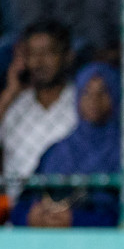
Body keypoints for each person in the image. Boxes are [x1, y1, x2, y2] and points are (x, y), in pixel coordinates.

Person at [12, 63, 124, 227]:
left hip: (104, 244)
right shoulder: (56, 151)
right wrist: (30, 217)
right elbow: (21, 207)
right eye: (86, 92)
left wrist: (76, 220)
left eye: (103, 92)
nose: (94, 100)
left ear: (115, 96)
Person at [0, 20, 80, 185]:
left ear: (68, 56)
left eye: (48, 52)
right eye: (32, 54)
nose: (39, 62)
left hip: (67, 204)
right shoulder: (13, 105)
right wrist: (10, 92)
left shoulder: (81, 102)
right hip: (18, 206)